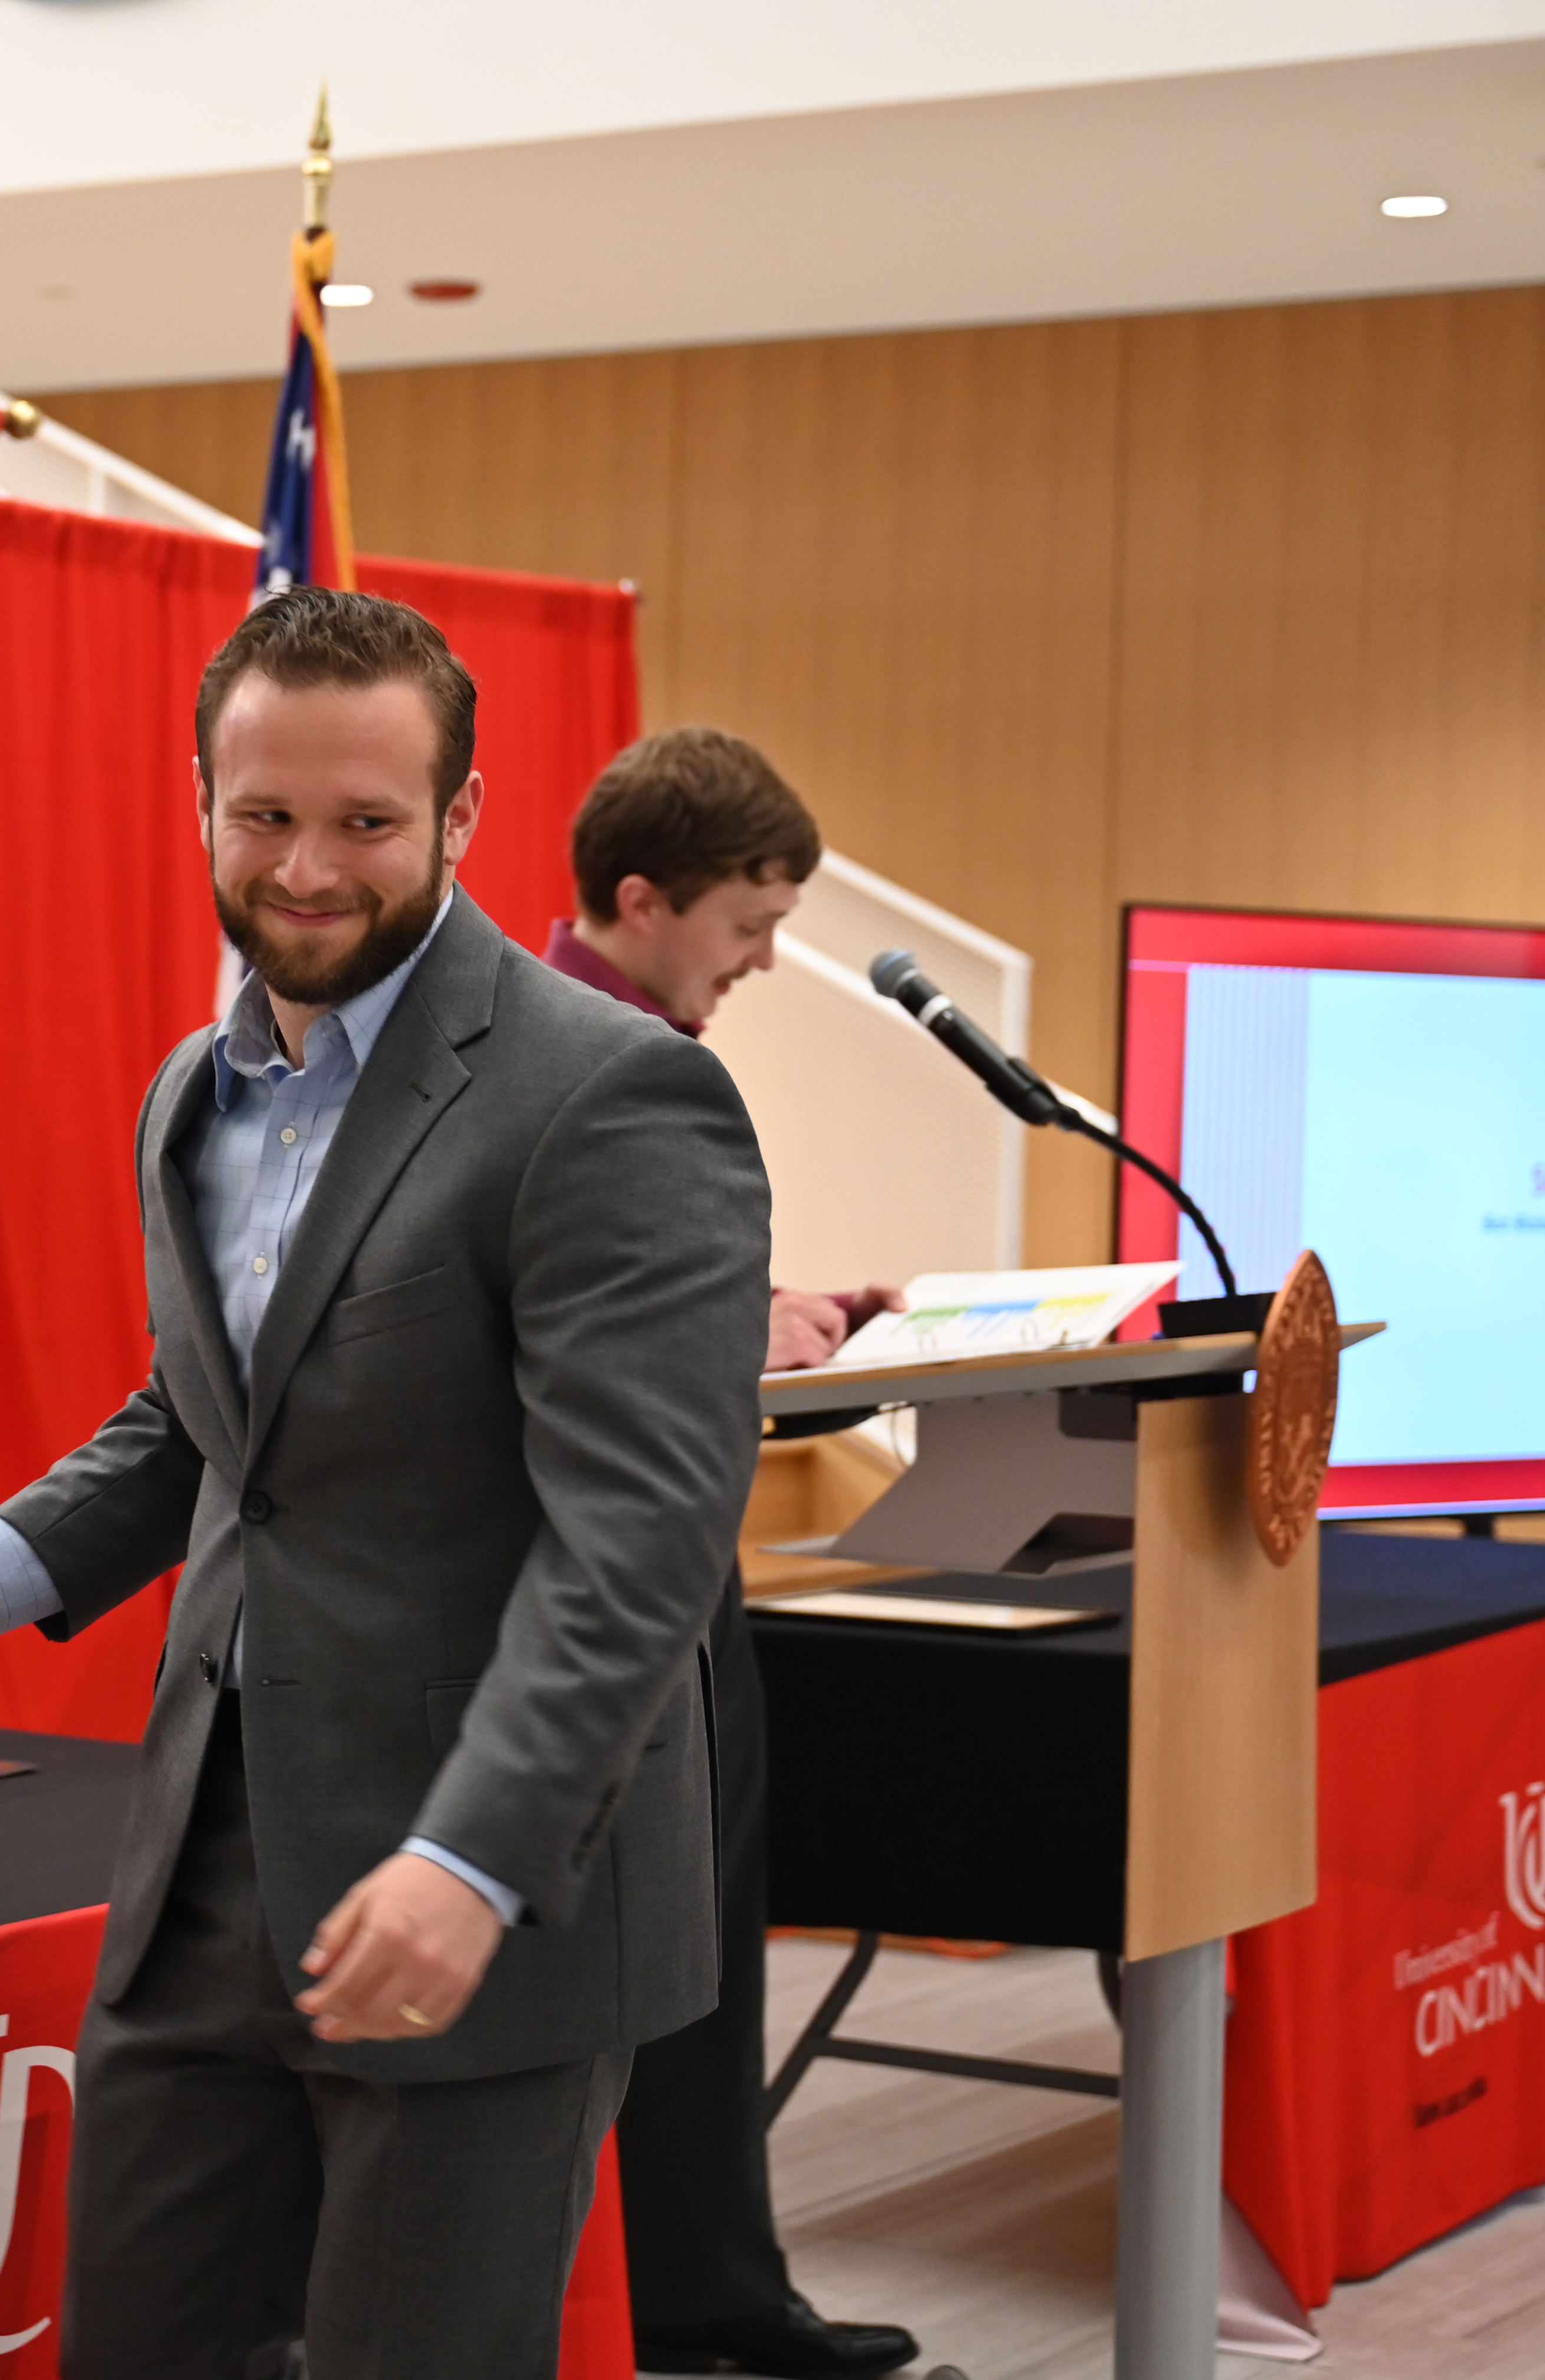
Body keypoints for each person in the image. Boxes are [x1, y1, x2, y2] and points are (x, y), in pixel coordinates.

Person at [0, 589, 769, 2380]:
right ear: (201, 801)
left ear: (464, 820)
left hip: (486, 1881)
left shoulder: (613, 1097)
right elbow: (206, 1417)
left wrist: (472, 1858)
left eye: (367, 822)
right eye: (264, 816)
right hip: (206, 1873)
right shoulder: (198, 1082)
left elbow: (637, 1543)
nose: (308, 868)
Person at [542, 725, 917, 2379]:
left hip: (673, 1570)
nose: (764, 964)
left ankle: (695, 2292)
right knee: (652, 1970)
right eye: (750, 928)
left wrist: (776, 1319)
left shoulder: (606, 1047)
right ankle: (679, 2304)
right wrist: (733, 1333)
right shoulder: (579, 1059)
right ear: (644, 897)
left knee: (695, 1959)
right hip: (611, 1597)